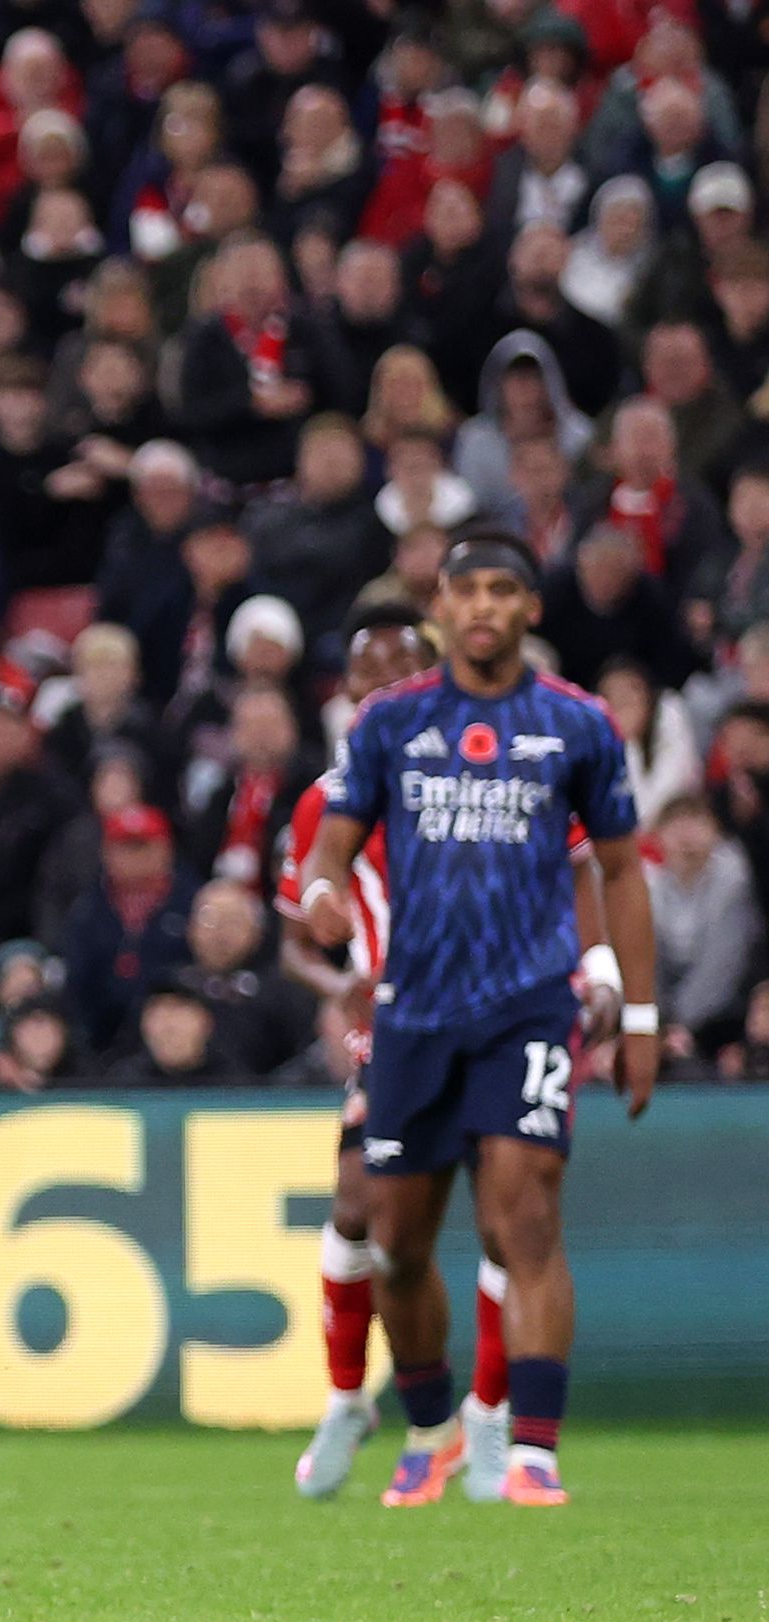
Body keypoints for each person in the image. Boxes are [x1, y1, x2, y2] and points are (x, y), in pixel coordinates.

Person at [299, 535, 660, 1511]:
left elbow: (617, 870)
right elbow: (325, 852)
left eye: (505, 588)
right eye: (469, 590)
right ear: (446, 608)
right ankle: (433, 1424)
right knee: (397, 1243)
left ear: (530, 608)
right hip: (414, 1014)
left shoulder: (577, 726)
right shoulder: (387, 728)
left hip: (529, 1007)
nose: (487, 606)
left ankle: (534, 1450)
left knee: (524, 1215)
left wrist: (639, 1011)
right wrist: (325, 895)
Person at [268, 602, 527, 1500]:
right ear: (345, 691)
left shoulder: (485, 771)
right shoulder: (325, 799)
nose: (380, 683)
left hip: (500, 1014)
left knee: (506, 1218)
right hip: (398, 1024)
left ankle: (488, 1417)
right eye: (365, 669)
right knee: (360, 1207)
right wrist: (334, 980)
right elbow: (298, 933)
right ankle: (353, 1397)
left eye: (399, 667)